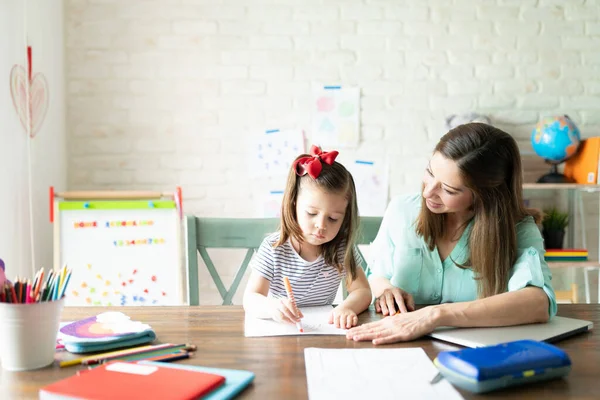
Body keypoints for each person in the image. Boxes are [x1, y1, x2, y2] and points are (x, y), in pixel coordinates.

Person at [347, 123, 557, 345]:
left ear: (485, 195)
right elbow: (376, 276)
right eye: (429, 172)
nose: (428, 192)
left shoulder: (518, 228)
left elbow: (539, 302)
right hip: (395, 347)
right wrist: (386, 290)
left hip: (476, 354)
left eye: (448, 190)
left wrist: (436, 315)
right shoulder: (401, 210)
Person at [243, 145, 372, 329]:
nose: (321, 225)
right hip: (281, 334)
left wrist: (346, 307)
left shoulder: (340, 249)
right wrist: (272, 307)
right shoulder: (274, 247)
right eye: (311, 213)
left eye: (333, 218)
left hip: (322, 334)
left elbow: (362, 291)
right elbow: (250, 299)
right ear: (294, 203)